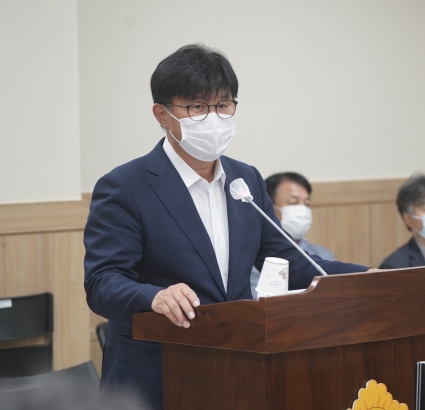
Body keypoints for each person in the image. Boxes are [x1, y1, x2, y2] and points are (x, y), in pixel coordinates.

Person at [83, 44, 371, 409]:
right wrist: (154, 297)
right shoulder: (126, 186)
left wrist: (369, 277)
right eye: (197, 107)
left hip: (235, 368)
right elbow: (102, 282)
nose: (213, 118)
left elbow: (293, 263)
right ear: (162, 114)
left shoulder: (245, 179)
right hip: (155, 373)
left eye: (223, 105)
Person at [248, 172, 335, 298]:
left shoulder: (324, 254)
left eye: (307, 204)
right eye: (293, 202)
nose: (302, 210)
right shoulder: (254, 258)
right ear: (269, 207)